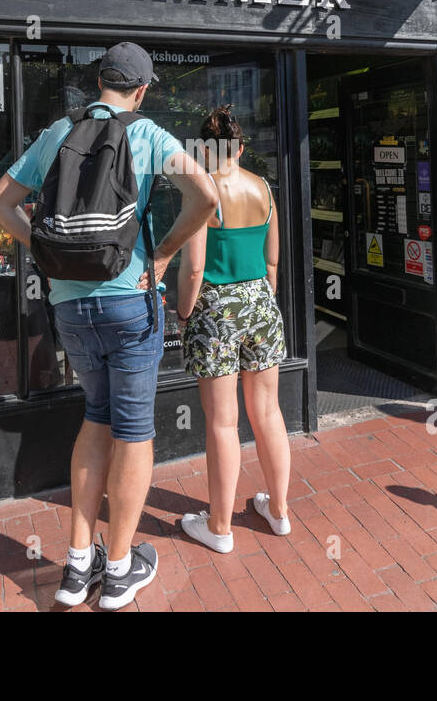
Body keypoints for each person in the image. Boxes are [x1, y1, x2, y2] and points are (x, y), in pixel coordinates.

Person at [0, 42, 217, 610]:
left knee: (95, 417)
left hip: (70, 306)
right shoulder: (149, 134)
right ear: (141, 90)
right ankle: (117, 570)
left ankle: (76, 566)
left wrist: (44, 249)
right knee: (134, 430)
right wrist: (161, 255)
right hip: (129, 300)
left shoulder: (57, 132)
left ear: (98, 85)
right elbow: (206, 196)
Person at [166, 105, 291, 553]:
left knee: (223, 422)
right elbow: (273, 259)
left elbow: (194, 267)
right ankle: (278, 511)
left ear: (205, 148)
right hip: (261, 301)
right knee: (269, 412)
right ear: (239, 147)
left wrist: (183, 314)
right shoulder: (264, 188)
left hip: (216, 307)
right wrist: (264, 297)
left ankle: (219, 528)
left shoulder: (203, 193)